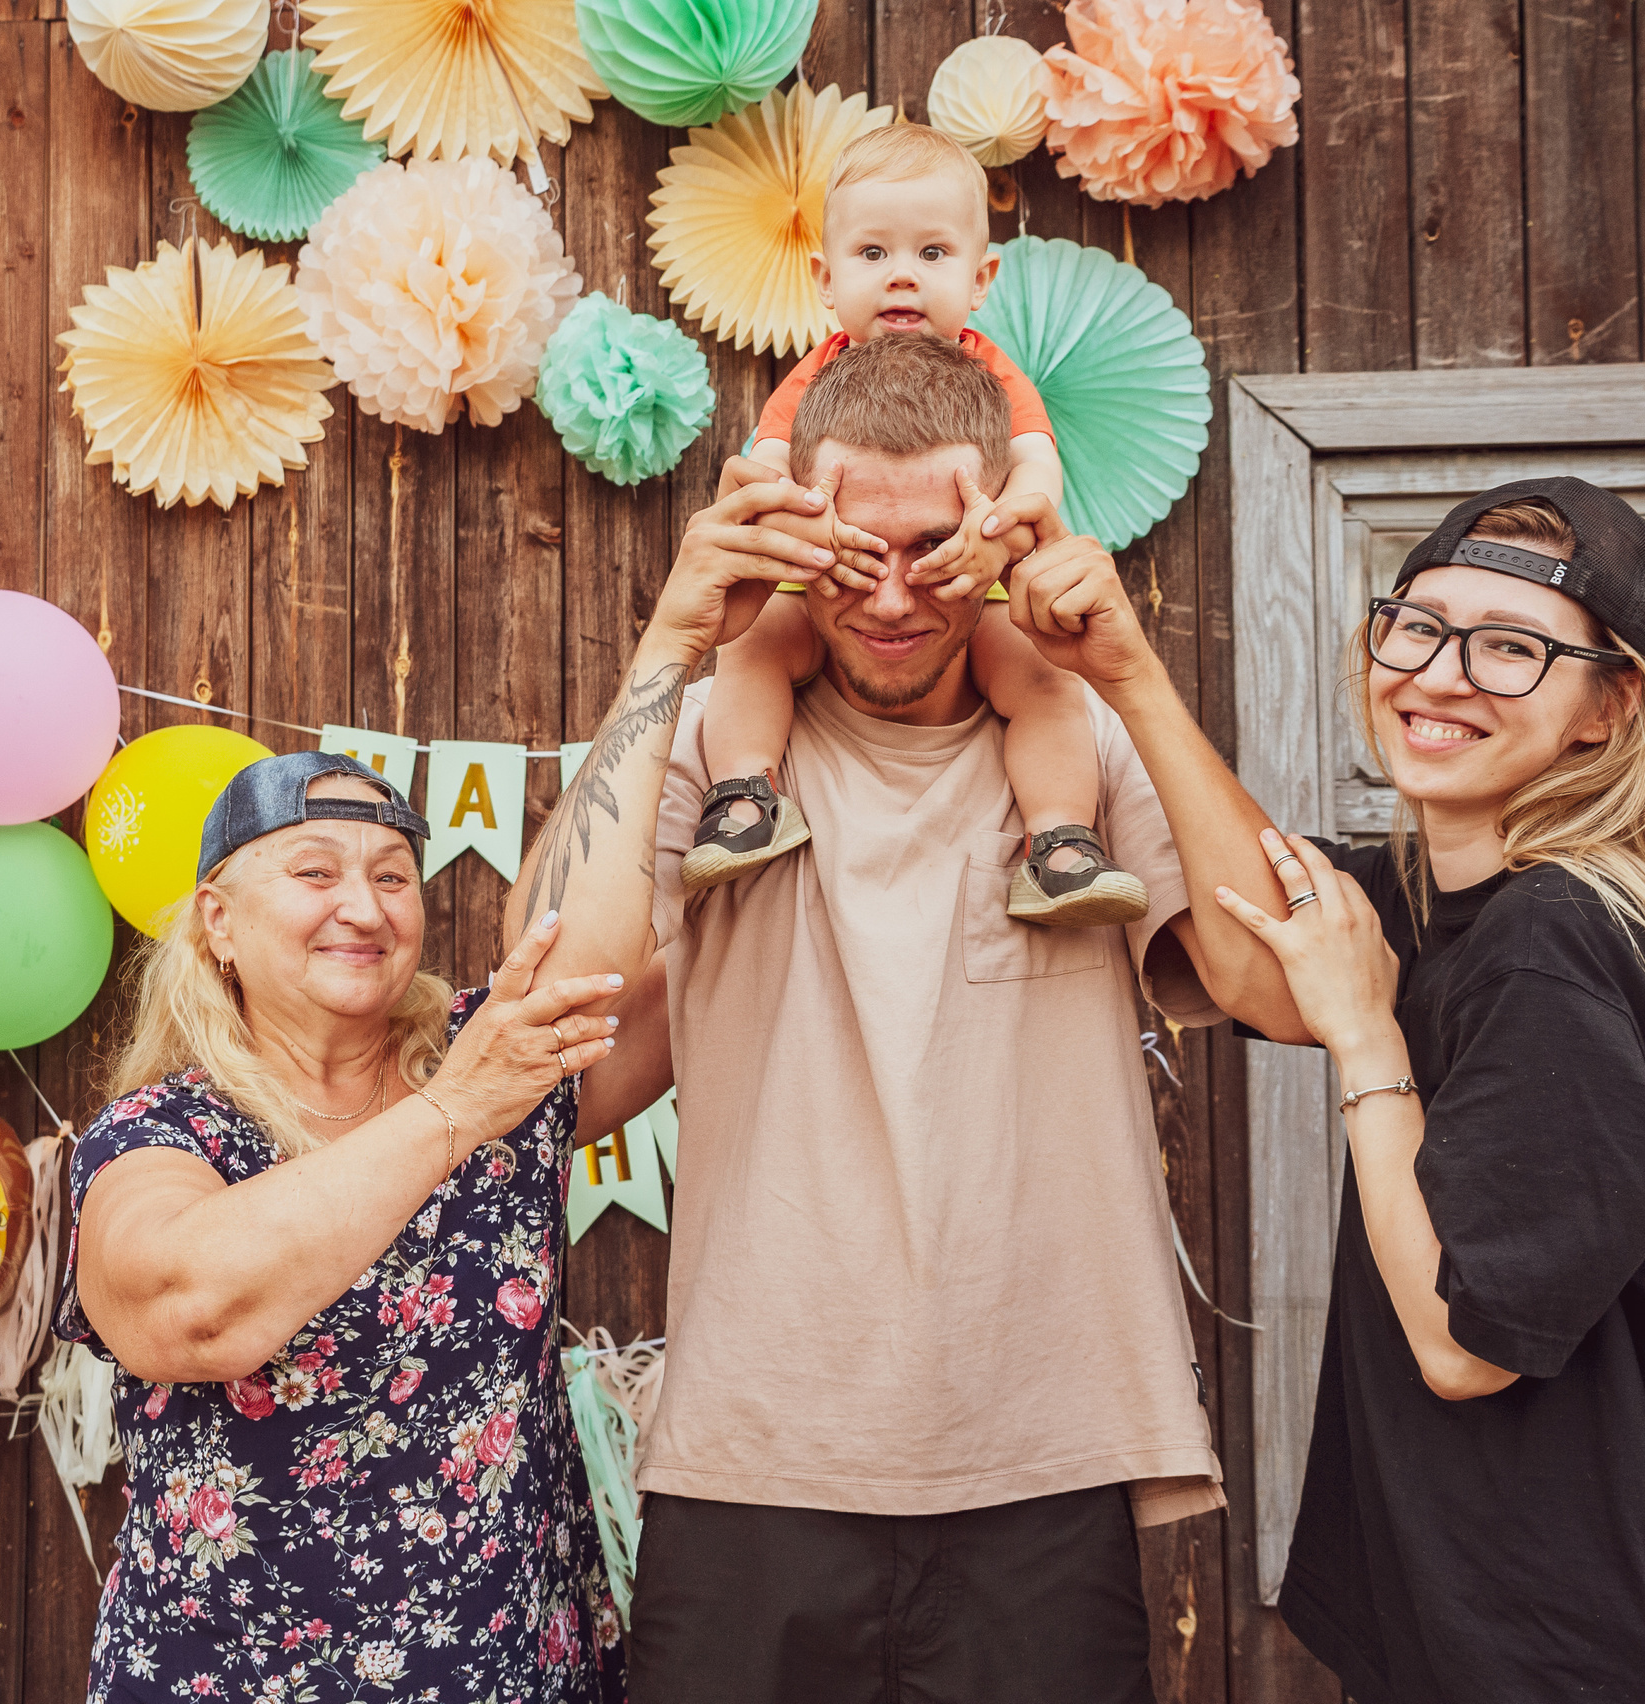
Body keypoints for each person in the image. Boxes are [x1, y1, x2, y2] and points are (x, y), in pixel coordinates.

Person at [1012, 476, 1645, 1701]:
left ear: (1607, 708)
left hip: (1596, 1660)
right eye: (1417, 625)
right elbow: (1255, 958)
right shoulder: (1442, 899)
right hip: (1503, 1635)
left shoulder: (1555, 939)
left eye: (1511, 648)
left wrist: (1366, 1038)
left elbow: (1467, 1346)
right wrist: (1125, 672)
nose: (1441, 675)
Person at [507, 332, 1227, 1704]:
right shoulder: (715, 736)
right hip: (749, 1461)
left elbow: (1265, 983)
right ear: (792, 533)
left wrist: (1131, 671)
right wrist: (671, 641)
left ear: (998, 530)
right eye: (854, 554)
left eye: (933, 551)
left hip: (1041, 1456)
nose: (893, 595)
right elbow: (550, 980)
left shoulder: (1076, 732)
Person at [56, 752, 671, 1704]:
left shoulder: (492, 1055)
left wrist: (685, 684)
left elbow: (619, 958)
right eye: (315, 872)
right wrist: (456, 1109)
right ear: (218, 920)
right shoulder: (162, 1129)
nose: (365, 908)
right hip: (233, 1678)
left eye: (392, 877)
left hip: (510, 1670)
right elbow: (188, 1309)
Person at [684, 123, 1147, 931]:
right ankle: (745, 795)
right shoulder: (814, 377)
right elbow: (766, 470)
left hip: (974, 586)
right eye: (873, 254)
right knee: (752, 651)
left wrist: (995, 535)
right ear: (826, 279)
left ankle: (1060, 843)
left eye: (932, 253)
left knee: (1044, 686)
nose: (902, 274)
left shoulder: (993, 374)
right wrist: (805, 523)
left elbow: (1036, 469)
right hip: (821, 580)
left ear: (980, 278)